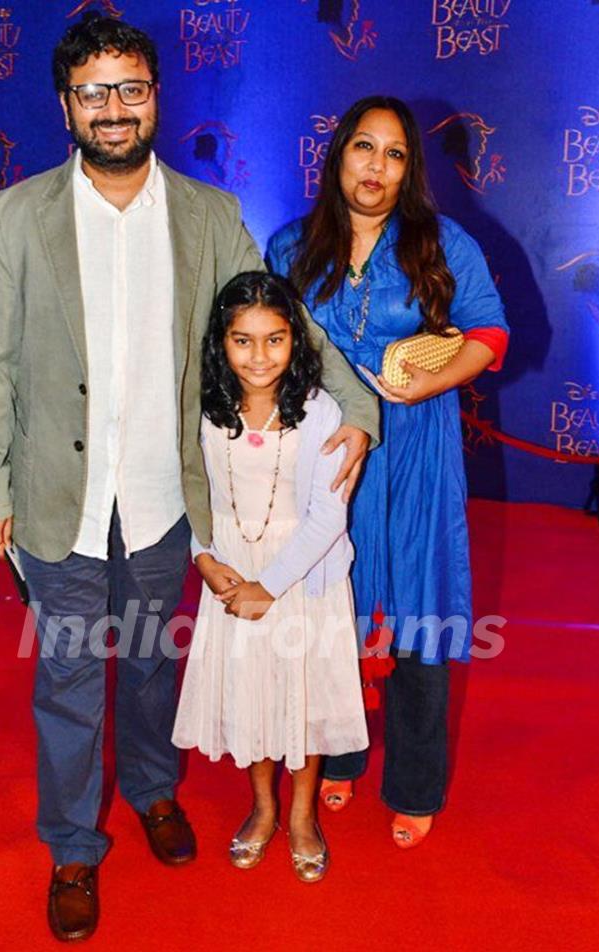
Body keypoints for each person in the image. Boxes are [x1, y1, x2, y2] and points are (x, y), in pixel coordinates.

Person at [0, 17, 378, 943]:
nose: (115, 109)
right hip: (56, 496)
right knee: (68, 677)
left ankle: (151, 792)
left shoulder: (207, 214)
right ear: (65, 104)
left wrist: (356, 406)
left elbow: (282, 322)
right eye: (94, 92)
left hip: (163, 499)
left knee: (149, 663)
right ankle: (73, 847)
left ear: (156, 95)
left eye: (131, 89)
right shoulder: (17, 214)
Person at [267, 95, 509, 849]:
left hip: (417, 449)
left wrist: (428, 384)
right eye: (363, 148)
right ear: (337, 155)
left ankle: (413, 782)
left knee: (418, 607)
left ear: (410, 170)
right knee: (325, 607)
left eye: (394, 153)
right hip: (322, 452)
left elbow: (490, 333)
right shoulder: (289, 247)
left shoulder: (443, 244)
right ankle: (338, 753)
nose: (376, 167)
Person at [172, 272, 368, 883]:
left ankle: (303, 817)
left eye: (275, 340)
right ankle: (262, 809)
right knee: (252, 698)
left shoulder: (319, 411)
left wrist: (270, 587)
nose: (260, 357)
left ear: (296, 341)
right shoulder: (203, 406)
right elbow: (190, 490)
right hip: (230, 572)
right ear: (220, 343)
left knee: (299, 701)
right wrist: (203, 556)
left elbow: (328, 515)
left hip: (303, 577)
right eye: (243, 340)